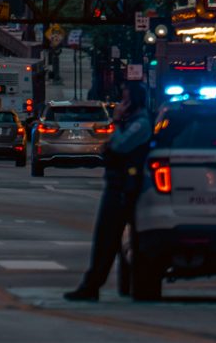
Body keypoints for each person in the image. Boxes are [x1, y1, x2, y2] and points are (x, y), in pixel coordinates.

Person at [64, 88, 154, 302]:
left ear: (133, 101)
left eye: (125, 99)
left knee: (109, 237)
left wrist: (116, 121)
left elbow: (119, 146)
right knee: (112, 238)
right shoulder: (135, 122)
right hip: (121, 185)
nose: (121, 104)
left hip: (125, 187)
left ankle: (94, 285)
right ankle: (96, 284)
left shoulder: (140, 123)